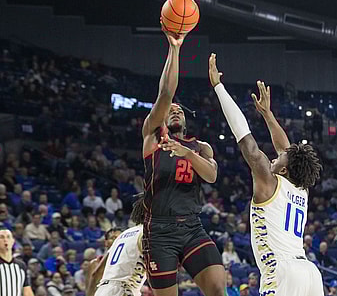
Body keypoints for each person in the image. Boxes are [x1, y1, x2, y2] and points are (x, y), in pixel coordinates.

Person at [208, 53, 323, 296]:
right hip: (310, 273)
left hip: (282, 272)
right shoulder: (301, 187)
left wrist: (219, 88)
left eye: (278, 158)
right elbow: (287, 149)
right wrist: (268, 115)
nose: (274, 156)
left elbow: (245, 139)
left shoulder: (269, 182)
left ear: (283, 169)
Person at [130, 24, 225, 296]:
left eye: (178, 111)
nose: (174, 111)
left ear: (185, 119)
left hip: (192, 227)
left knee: (218, 288)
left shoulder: (201, 147)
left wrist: (188, 154)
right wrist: (174, 48)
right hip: (159, 230)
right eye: (170, 111)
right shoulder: (152, 138)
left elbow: (211, 176)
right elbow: (166, 94)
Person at [91, 225, 146, 296]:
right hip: (123, 289)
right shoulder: (147, 233)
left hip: (102, 289)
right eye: (111, 238)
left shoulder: (122, 236)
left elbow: (97, 272)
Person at [86, 227, 122, 296]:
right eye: (113, 238)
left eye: (119, 238)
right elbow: (89, 289)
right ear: (106, 242)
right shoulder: (95, 263)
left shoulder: (129, 261)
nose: (116, 240)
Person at [0, 228, 34, 296]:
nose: (5, 240)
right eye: (2, 237)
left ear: (13, 241)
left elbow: (27, 291)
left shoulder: (21, 265)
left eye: (8, 237)